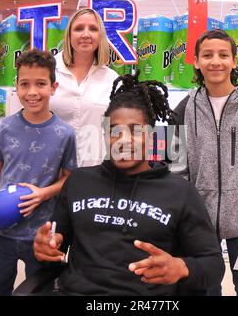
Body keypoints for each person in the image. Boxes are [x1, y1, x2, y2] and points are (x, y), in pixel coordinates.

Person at [32, 73, 225, 296]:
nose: (124, 140)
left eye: (135, 131)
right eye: (115, 131)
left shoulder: (180, 193)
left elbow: (213, 266)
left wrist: (181, 268)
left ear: (152, 136)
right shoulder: (79, 182)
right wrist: (45, 248)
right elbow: (54, 246)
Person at [170, 29, 238, 296]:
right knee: (205, 288)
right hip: (199, 223)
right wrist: (184, 219)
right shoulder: (182, 109)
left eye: (223, 55)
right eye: (207, 55)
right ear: (195, 61)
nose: (215, 61)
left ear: (234, 61)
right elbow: (175, 169)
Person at [0, 49, 77, 296]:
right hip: (3, 233)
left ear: (53, 87)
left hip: (41, 235)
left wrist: (42, 194)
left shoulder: (65, 133)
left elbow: (68, 179)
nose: (32, 92)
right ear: (16, 87)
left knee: (39, 291)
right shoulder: (4, 127)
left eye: (40, 84)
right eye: (25, 84)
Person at [51, 8, 119, 167]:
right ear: (69, 35)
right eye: (79, 28)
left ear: (100, 36)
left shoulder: (113, 80)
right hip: (52, 169)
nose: (86, 34)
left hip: (96, 171)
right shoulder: (48, 71)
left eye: (93, 29)